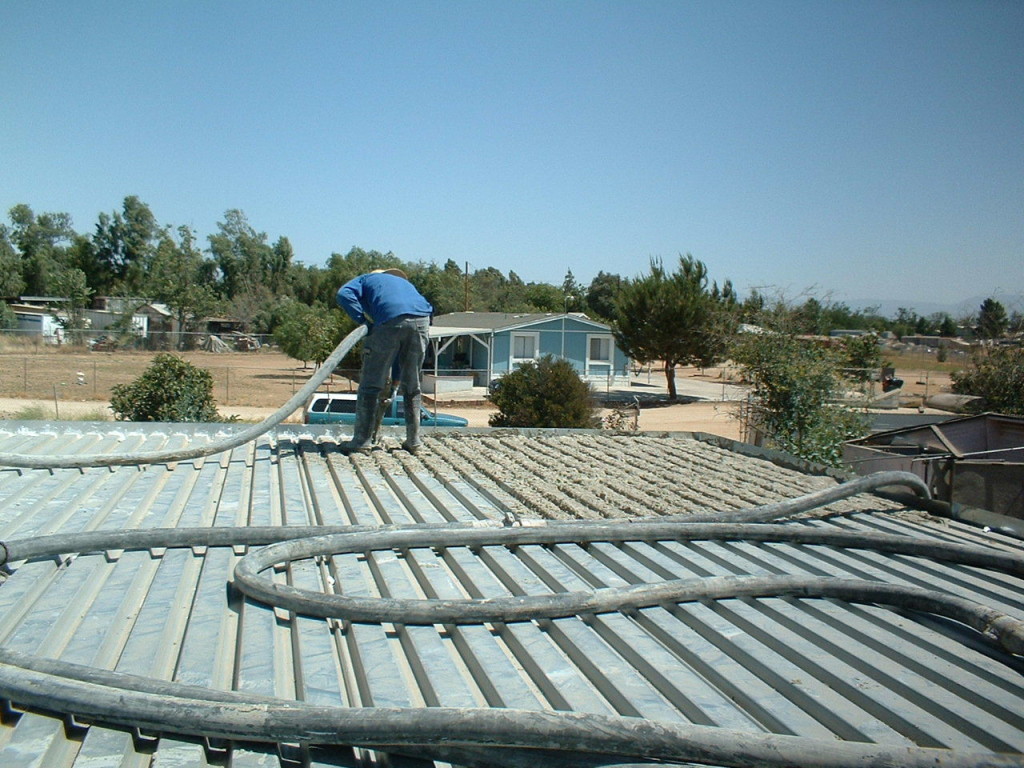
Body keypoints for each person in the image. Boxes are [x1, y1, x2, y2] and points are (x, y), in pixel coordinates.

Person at [335, 268, 433, 454]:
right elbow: (401, 351)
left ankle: (361, 442)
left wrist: (362, 320)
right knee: (413, 387)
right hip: (422, 319)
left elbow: (343, 294)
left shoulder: (365, 279)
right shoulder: (405, 285)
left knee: (370, 386)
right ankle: (414, 442)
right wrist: (398, 380)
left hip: (388, 319)